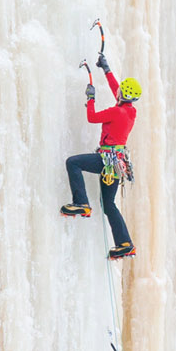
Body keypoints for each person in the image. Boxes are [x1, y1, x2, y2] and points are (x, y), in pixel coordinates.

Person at [61, 44, 141, 259]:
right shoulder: (130, 111)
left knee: (73, 163)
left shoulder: (116, 112)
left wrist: (90, 98)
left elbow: (92, 117)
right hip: (117, 164)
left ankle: (81, 203)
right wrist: (106, 69)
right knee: (109, 205)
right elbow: (118, 89)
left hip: (106, 161)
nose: (119, 92)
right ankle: (125, 243)